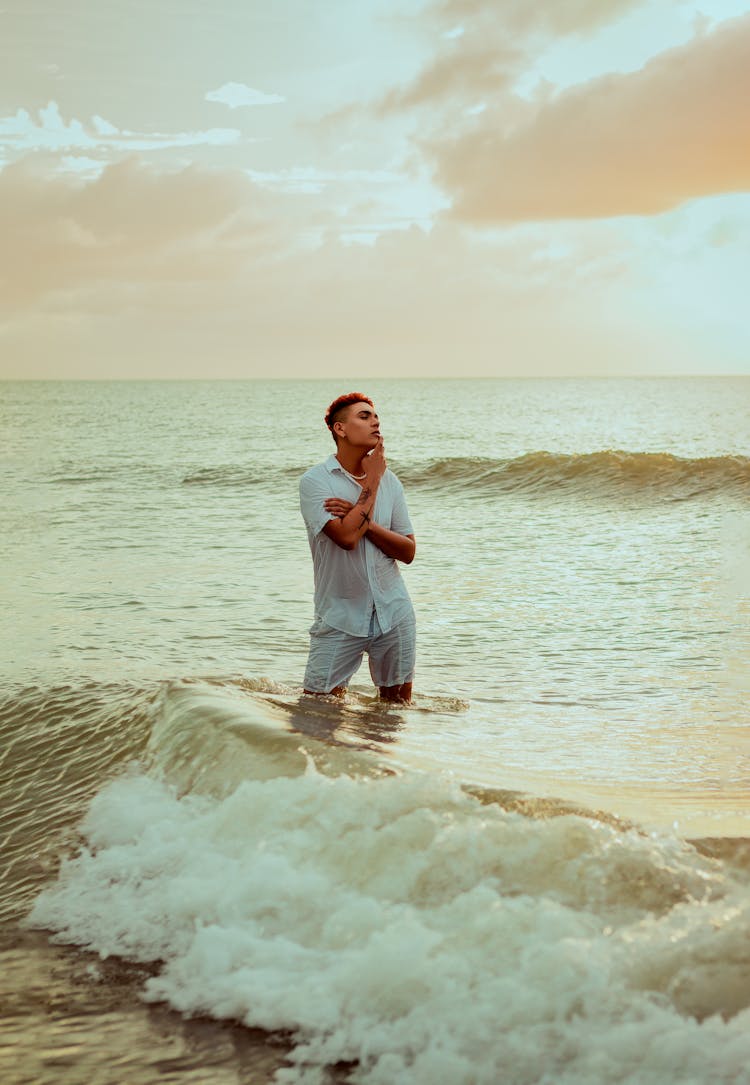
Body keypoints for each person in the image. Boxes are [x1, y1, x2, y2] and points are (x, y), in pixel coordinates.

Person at [299, 392, 416, 703]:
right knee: (316, 712)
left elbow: (407, 552)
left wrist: (360, 518)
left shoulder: (391, 482)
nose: (375, 421)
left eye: (376, 416)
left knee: (394, 715)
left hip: (394, 611)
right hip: (339, 615)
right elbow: (346, 539)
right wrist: (372, 483)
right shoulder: (316, 481)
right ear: (340, 429)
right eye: (364, 416)